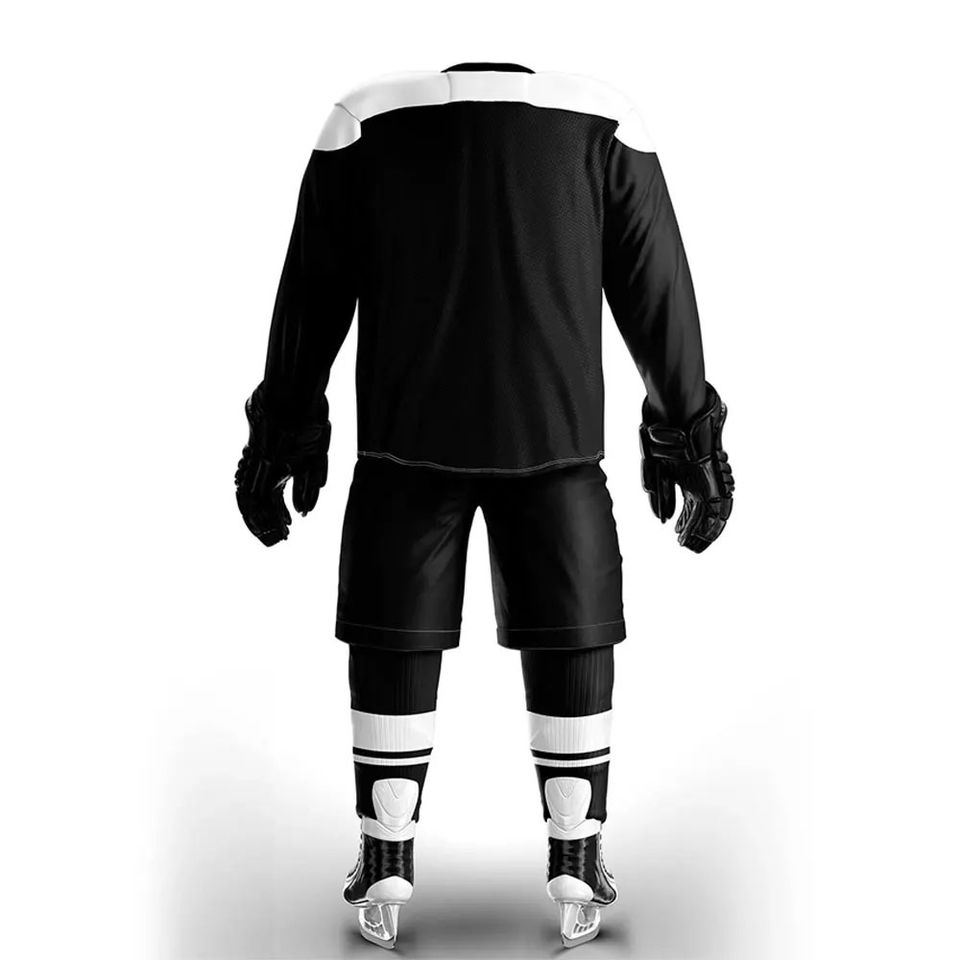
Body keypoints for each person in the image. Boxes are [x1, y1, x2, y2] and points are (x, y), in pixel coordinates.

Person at [235, 62, 734, 950]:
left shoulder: (362, 123)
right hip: (557, 443)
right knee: (572, 619)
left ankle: (385, 852)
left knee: (395, 621)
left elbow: (312, 292)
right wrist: (688, 435)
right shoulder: (606, 125)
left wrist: (282, 432)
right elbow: (657, 294)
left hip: (403, 443)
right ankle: (576, 854)